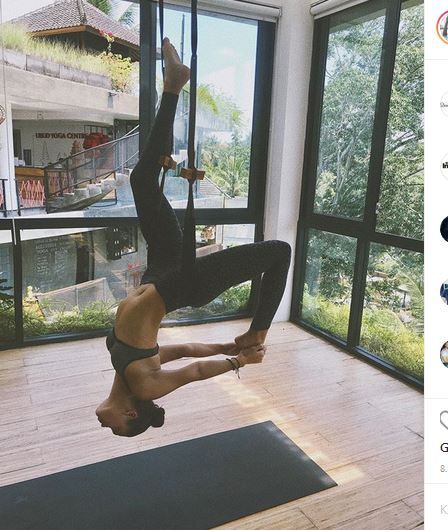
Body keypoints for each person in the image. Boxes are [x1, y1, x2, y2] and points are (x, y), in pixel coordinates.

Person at [95, 39, 291, 437]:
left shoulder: (127, 372)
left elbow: (183, 349)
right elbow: (194, 370)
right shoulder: (146, 387)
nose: (105, 425)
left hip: (160, 270)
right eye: (115, 429)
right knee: (280, 252)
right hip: (186, 283)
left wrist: (226, 347)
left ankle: (174, 83)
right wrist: (240, 359)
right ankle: (260, 329)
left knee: (142, 179)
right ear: (131, 414)